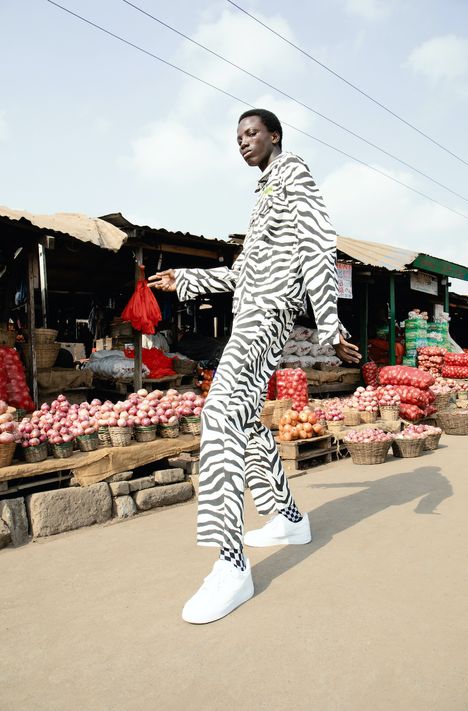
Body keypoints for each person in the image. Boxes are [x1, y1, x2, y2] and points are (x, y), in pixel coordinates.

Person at [149, 108, 361, 624]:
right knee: (243, 421)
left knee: (218, 415)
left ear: (275, 136)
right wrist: (188, 278)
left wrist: (330, 326)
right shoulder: (265, 192)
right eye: (238, 136)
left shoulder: (293, 173)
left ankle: (230, 565)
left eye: (252, 133)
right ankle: (289, 518)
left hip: (265, 318)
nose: (243, 142)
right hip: (252, 310)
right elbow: (244, 272)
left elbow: (317, 246)